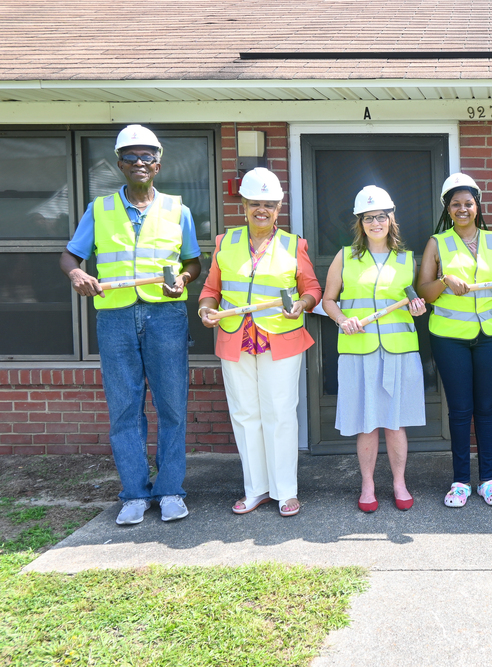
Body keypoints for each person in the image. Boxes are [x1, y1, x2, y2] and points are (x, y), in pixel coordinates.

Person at [60, 124, 202, 526]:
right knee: (125, 407)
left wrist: (185, 280)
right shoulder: (99, 209)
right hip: (116, 316)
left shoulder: (178, 209)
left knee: (172, 404)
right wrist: (76, 276)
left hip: (166, 316)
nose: (139, 163)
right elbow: (71, 257)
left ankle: (171, 490)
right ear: (120, 164)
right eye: (130, 157)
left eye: (147, 156)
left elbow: (192, 261)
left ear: (158, 164)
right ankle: (135, 495)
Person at [197, 168, 320, 518]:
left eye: (268, 204)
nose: (261, 210)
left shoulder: (294, 244)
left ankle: (286, 491)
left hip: (279, 338)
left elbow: (311, 288)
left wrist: (304, 304)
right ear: (244, 205)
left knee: (280, 414)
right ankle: (256, 489)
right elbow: (210, 291)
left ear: (279, 207)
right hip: (235, 338)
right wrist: (207, 310)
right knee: (245, 414)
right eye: (255, 204)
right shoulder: (226, 242)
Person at [417, 173, 492, 508]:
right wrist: (443, 280)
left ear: (477, 205)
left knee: (486, 408)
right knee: (461, 410)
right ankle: (461, 481)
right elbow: (424, 291)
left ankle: (489, 480)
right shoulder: (437, 243)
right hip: (450, 338)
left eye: (468, 203)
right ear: (448, 209)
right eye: (456, 204)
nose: (463, 209)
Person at [322, 186, 427, 513]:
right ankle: (367, 485)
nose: (376, 222)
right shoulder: (345, 257)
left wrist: (418, 309)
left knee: (395, 423)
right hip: (359, 349)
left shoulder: (407, 259)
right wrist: (342, 319)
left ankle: (399, 483)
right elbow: (328, 300)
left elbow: (415, 302)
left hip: (399, 350)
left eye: (381, 216)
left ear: (391, 218)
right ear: (360, 222)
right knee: (367, 423)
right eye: (369, 217)